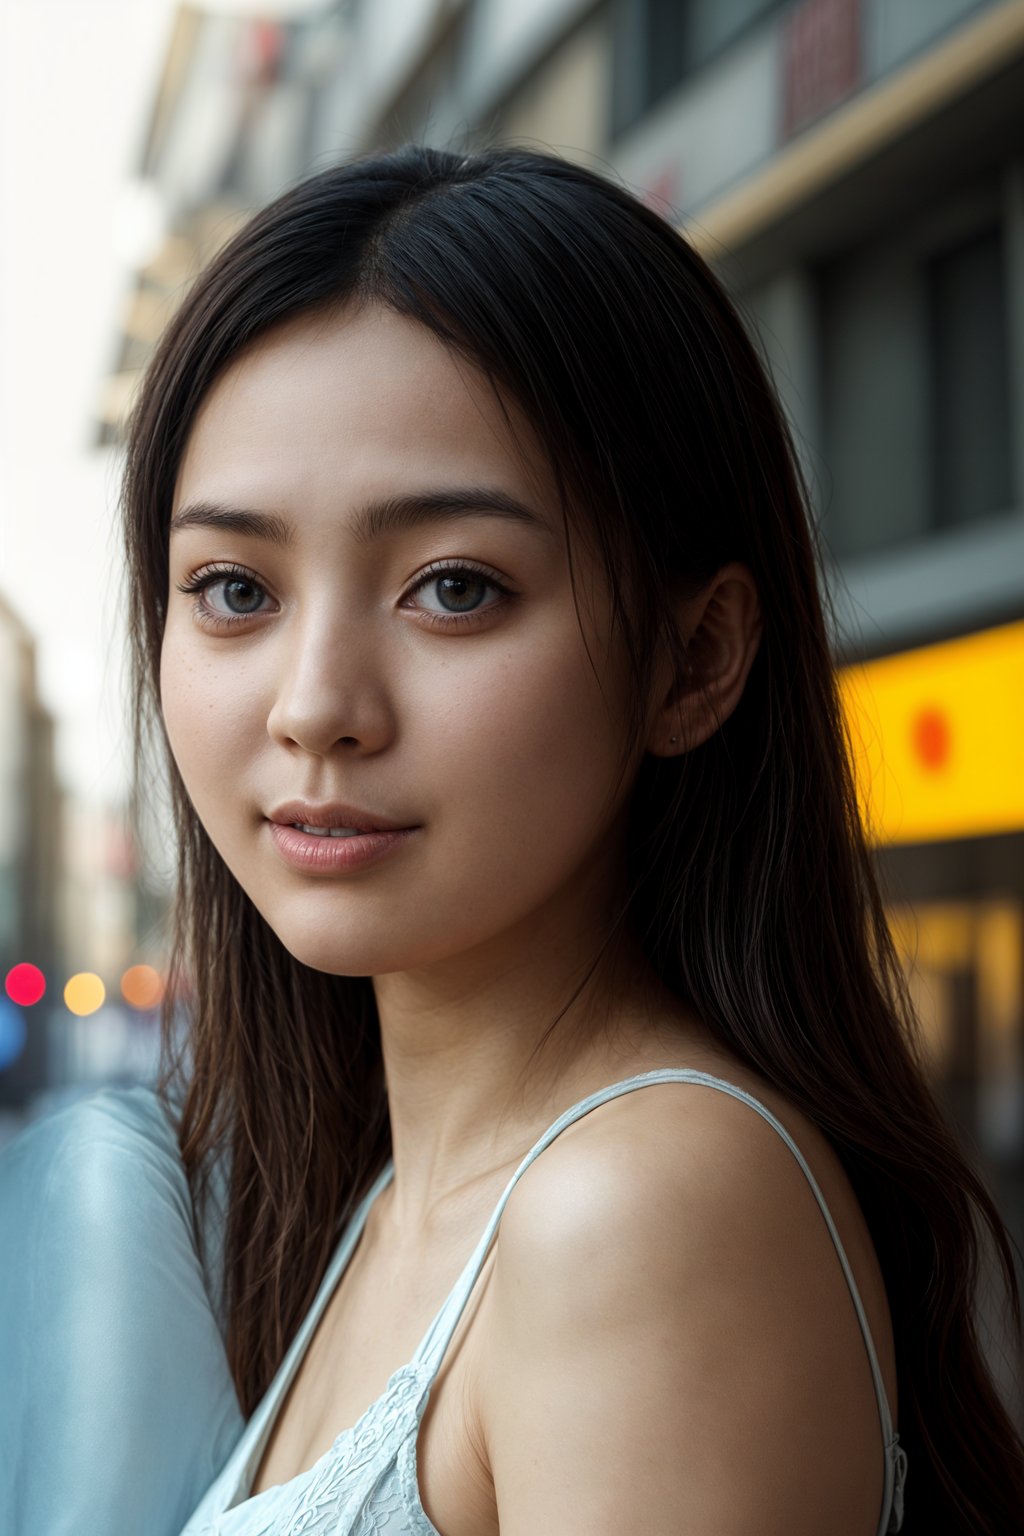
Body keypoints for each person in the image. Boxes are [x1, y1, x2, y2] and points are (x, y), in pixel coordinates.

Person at [3, 142, 1022, 1535]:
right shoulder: (388, 1204)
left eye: (455, 588)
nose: (317, 708)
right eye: (235, 587)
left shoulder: (637, 1215)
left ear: (696, 660)